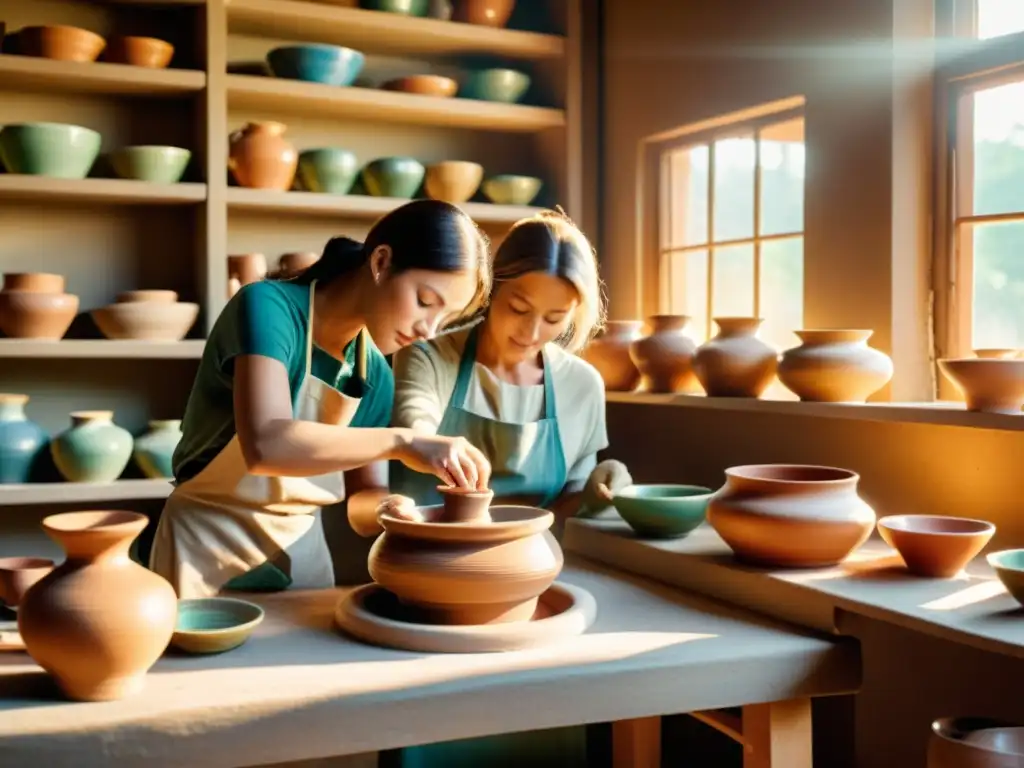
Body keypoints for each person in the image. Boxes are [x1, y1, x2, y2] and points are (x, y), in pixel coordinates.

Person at [149, 200, 493, 599]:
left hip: (304, 563)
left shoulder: (374, 373)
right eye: (425, 301)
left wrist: (390, 509)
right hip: (204, 549)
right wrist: (404, 441)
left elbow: (361, 503)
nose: (428, 330)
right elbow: (266, 443)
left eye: (445, 319)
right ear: (381, 262)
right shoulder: (268, 308)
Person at [386, 209, 633, 526]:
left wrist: (596, 489)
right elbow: (414, 429)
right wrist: (430, 445)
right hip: (429, 555)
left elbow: (564, 506)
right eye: (519, 309)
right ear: (492, 289)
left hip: (530, 558)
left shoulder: (582, 384)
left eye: (553, 319)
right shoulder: (429, 356)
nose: (531, 333)